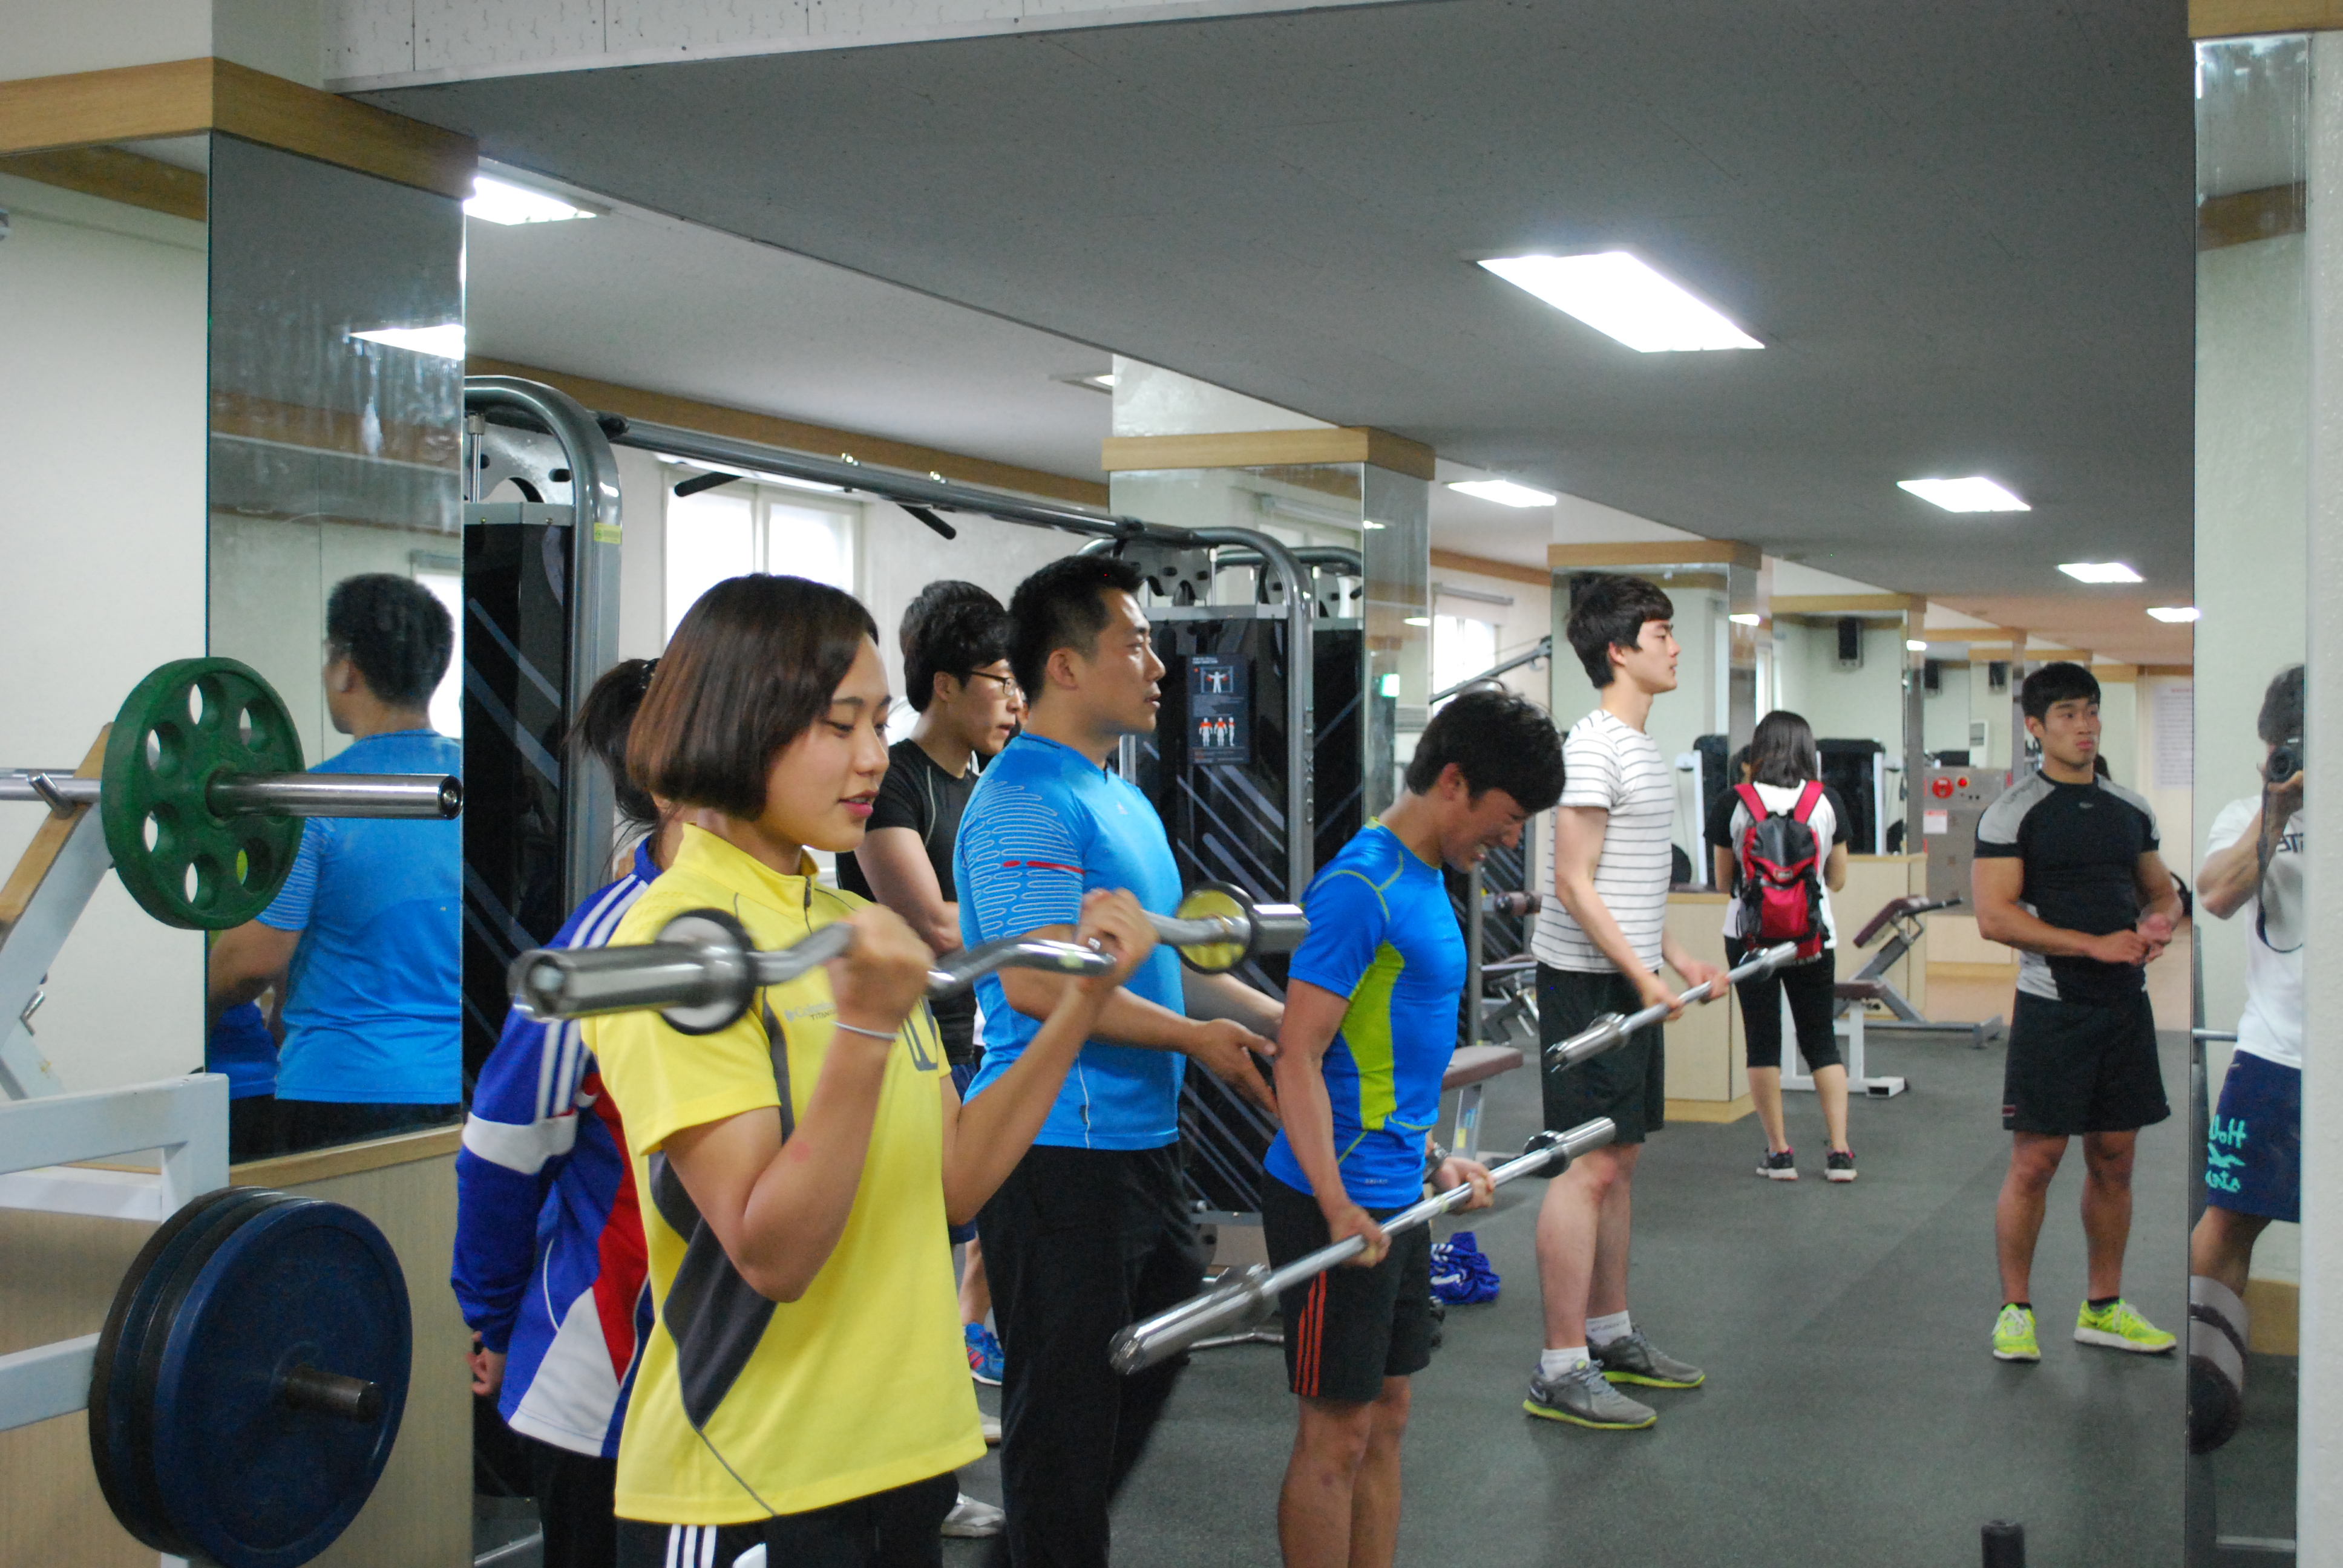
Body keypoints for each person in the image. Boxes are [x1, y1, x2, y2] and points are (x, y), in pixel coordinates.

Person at [583, 573, 1160, 1568]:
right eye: (838, 723)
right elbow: (772, 1254)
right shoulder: (682, 942)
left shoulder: (849, 919)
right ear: (742, 722)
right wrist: (862, 1030)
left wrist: (1082, 1002)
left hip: (898, 1460)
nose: (870, 756)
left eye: (878, 722)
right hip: (756, 1477)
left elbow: (954, 1181)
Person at [955, 554, 1285, 1568]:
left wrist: (1284, 1024)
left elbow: (1167, 971)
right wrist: (1194, 1042)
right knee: (1064, 1434)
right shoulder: (1021, 801)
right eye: (1134, 644)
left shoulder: (1120, 797)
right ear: (1064, 665)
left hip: (1140, 1147)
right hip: (1057, 1150)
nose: (1158, 665)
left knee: (1137, 1370)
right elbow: (1039, 984)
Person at [1267, 688, 1562, 1568]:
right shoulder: (1362, 886)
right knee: (1335, 1435)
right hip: (1337, 1201)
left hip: (1396, 1194)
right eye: (1510, 816)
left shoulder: (1425, 876)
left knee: (1386, 1420)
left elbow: (1380, 1061)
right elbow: (1298, 1055)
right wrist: (1334, 1204)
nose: (1511, 837)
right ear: (1454, 781)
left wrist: (1436, 1159)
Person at [454, 657, 666, 1568]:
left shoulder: (816, 928)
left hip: (747, 1385)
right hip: (606, 1374)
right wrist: (494, 1321)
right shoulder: (603, 947)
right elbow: (501, 1153)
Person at [1524, 572, 1724, 1432]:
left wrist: (1674, 958)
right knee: (1586, 1166)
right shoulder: (1592, 747)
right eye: (1661, 634)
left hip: (1627, 976)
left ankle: (1608, 1334)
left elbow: (1627, 885)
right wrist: (1640, 978)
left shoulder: (1643, 747)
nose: (1675, 647)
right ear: (1618, 651)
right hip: (1585, 982)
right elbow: (1573, 884)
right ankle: (1559, 1367)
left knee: (1622, 1161)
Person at [837, 580, 1021, 1389]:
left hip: (972, 1028)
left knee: (983, 1206)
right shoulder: (894, 781)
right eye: (999, 681)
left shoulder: (985, 785)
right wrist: (1036, 925)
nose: (1012, 700)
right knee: (922, 1227)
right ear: (945, 685)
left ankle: (964, 1339)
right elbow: (934, 927)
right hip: (900, 1039)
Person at [206, 573, 462, 1153]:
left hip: (346, 1091)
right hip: (471, 1082)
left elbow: (252, 962)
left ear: (346, 668)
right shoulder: (478, 786)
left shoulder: (314, 798)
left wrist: (188, 1017)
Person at [1974, 661, 2182, 1363]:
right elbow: (1993, 918)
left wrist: (2159, 920)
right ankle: (2014, 1311)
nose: (2084, 725)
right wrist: (2090, 945)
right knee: (2035, 1162)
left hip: (2123, 1007)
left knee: (2115, 1160)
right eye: (2066, 714)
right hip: (2052, 1007)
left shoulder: (2129, 808)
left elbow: (2160, 891)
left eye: (2090, 711)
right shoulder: (2013, 813)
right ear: (2035, 727)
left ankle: (2102, 1308)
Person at [2188, 665, 2304, 1442]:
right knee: (2227, 1226)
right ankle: (2202, 1401)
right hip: (2274, 1060)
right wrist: (2277, 810)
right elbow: (2216, 895)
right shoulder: (2246, 816)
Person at [1703, 711, 1856, 1181]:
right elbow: (1838, 879)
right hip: (1813, 937)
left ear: (1757, 750)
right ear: (1808, 750)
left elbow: (1723, 883)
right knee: (1821, 1041)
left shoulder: (1733, 801)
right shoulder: (1826, 800)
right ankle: (1839, 1153)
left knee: (1762, 1042)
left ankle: (1779, 1153)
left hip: (1748, 938)